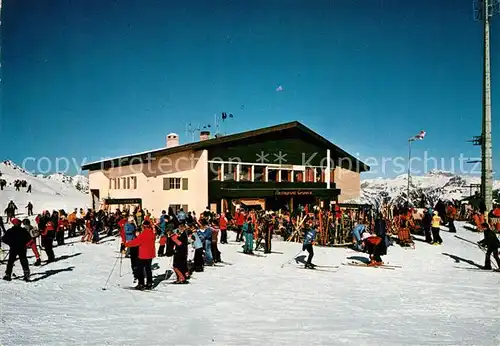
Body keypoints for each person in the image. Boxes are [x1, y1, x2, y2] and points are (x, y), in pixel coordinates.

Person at [125, 220, 156, 290]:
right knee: (148, 269)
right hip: (150, 254)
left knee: (140, 269)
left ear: (144, 226)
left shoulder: (143, 234)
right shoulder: (152, 233)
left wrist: (126, 244)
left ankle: (141, 283)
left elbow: (136, 242)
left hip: (143, 254)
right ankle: (149, 283)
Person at [124, 217, 138, 282]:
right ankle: (127, 253)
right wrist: (131, 231)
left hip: (134, 238)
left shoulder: (133, 224)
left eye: (132, 220)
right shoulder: (126, 224)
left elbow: (135, 228)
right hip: (129, 237)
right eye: (131, 220)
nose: (132, 221)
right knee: (129, 247)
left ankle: (129, 253)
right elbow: (126, 231)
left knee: (133, 247)